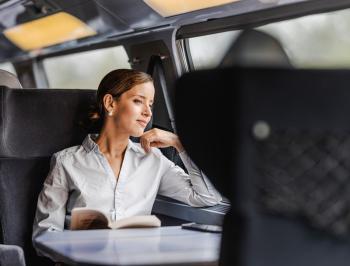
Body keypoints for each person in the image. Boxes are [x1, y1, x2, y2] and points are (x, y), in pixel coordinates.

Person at [32, 69, 221, 239]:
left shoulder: (152, 159)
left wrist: (179, 143)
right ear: (110, 103)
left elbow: (207, 197)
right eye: (138, 101)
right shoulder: (66, 162)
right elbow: (45, 233)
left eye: (151, 104)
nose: (147, 112)